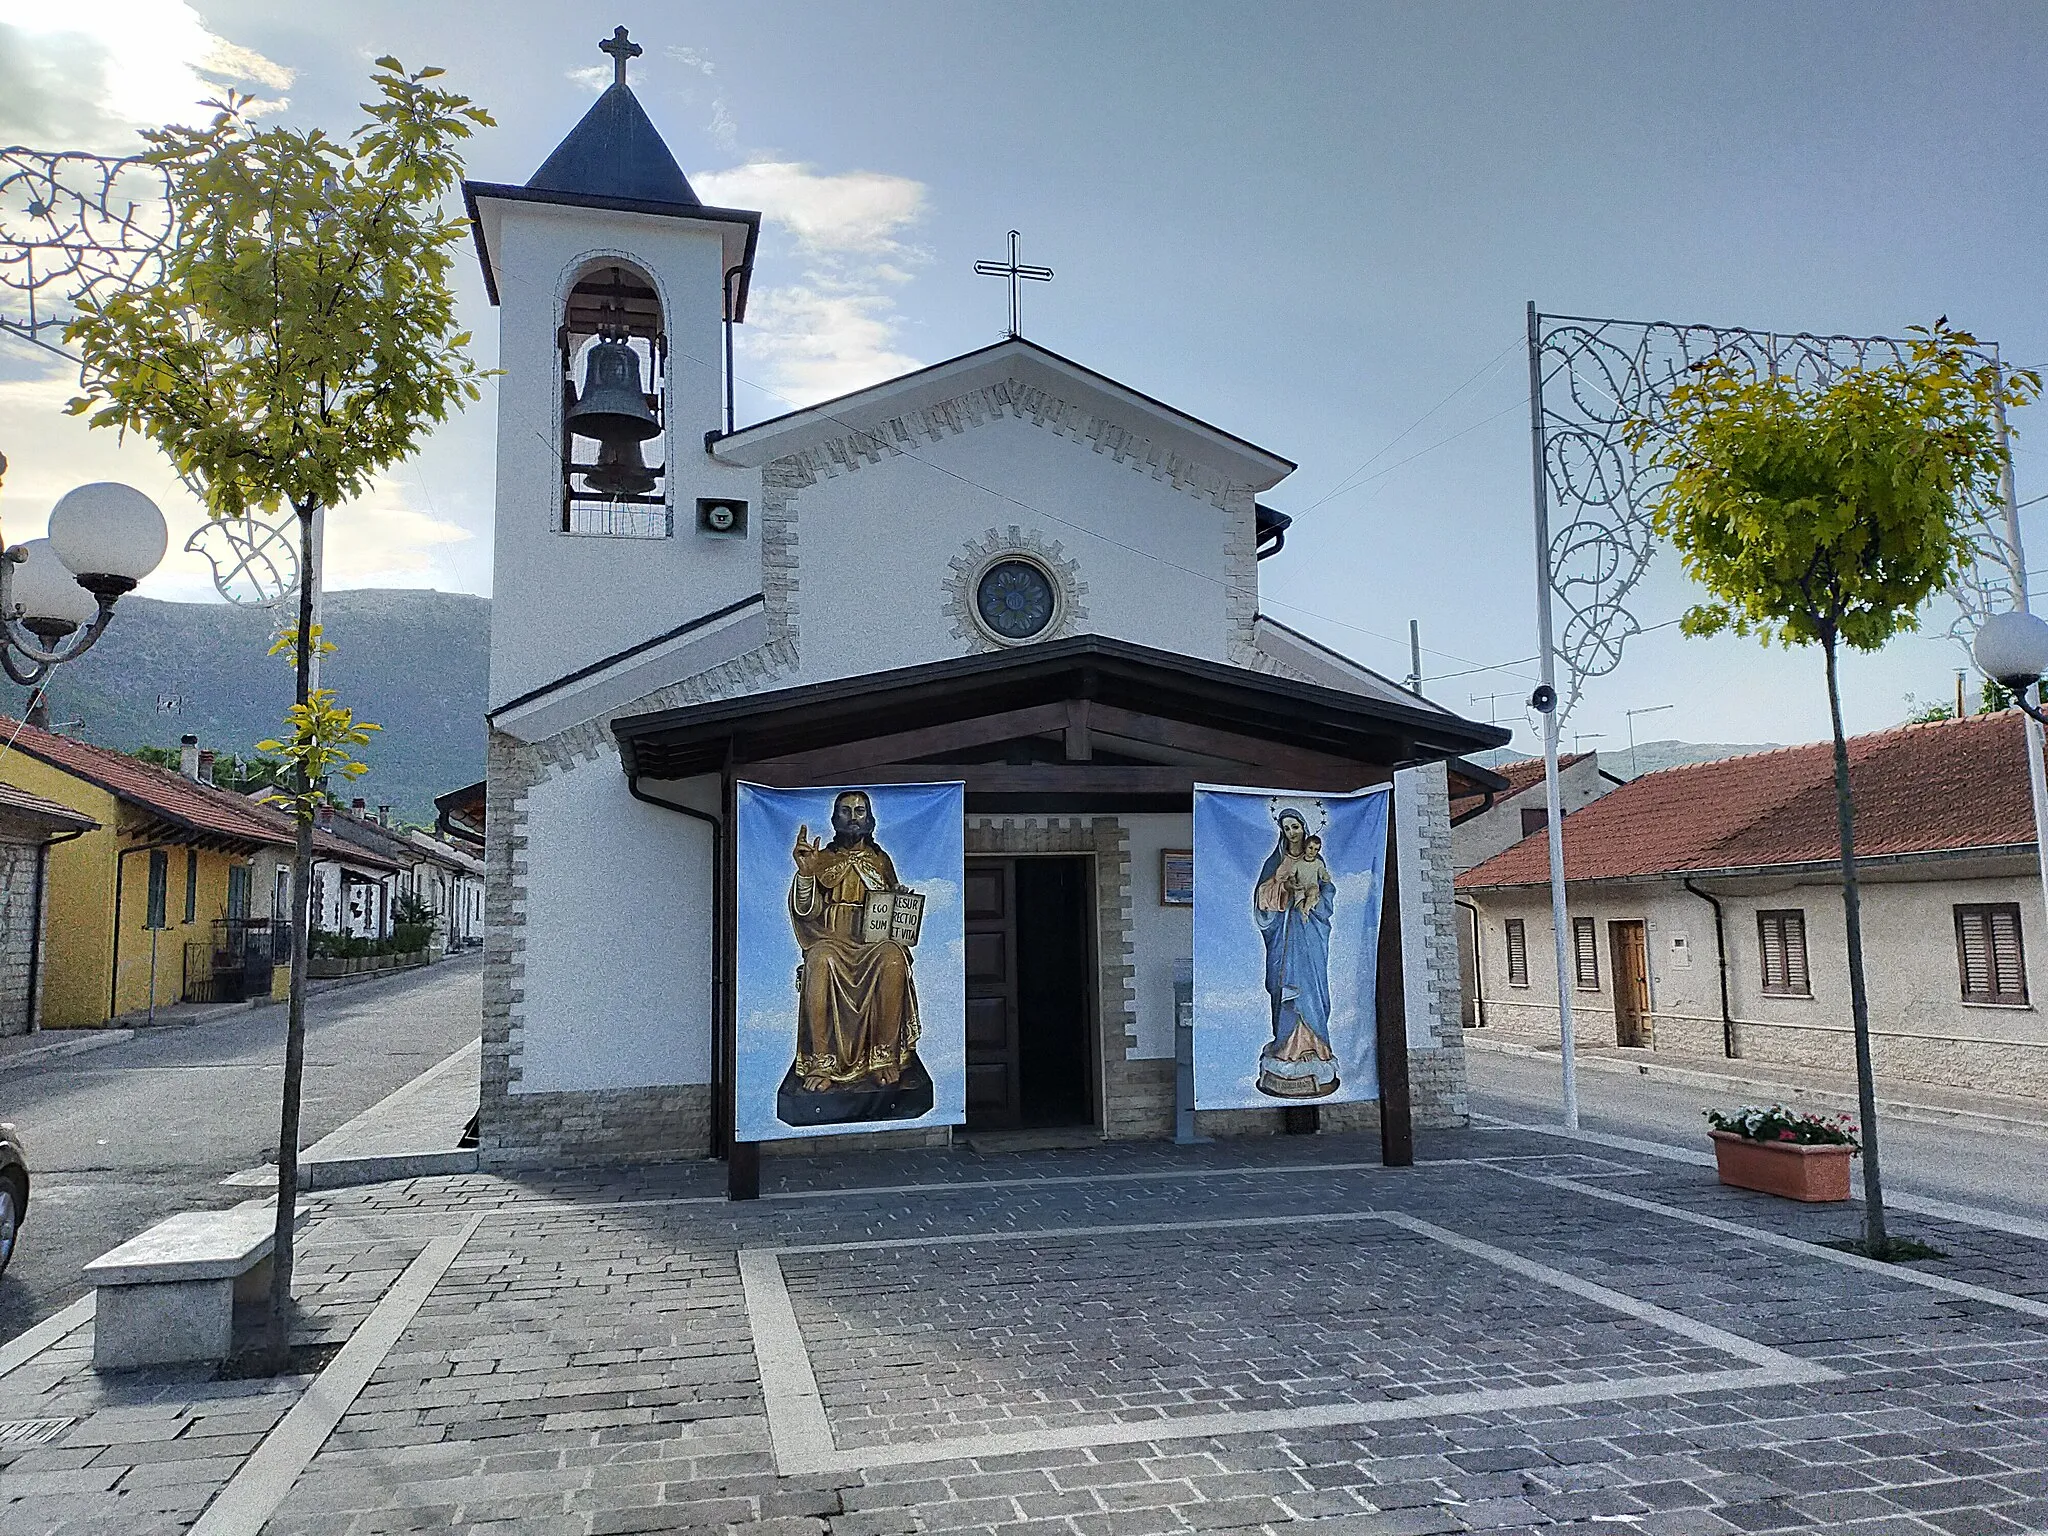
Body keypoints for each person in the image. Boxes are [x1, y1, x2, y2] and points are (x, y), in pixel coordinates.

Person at [787, 790, 920, 1093]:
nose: (853, 818)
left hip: (871, 942)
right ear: (835, 819)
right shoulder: (822, 860)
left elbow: (891, 899)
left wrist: (901, 905)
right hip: (831, 938)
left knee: (893, 958)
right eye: (845, 811)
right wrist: (807, 875)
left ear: (869, 818)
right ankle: (822, 1061)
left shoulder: (880, 860)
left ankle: (883, 1057)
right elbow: (806, 911)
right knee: (819, 961)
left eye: (860, 811)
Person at [1252, 808, 1338, 1098]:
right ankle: (1287, 1048)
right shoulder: (1275, 862)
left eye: (1296, 826)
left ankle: (1316, 1048)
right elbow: (1262, 900)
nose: (1292, 832)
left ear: (1304, 827)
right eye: (1286, 828)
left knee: (1311, 988)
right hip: (1286, 934)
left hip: (1310, 933)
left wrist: (1314, 900)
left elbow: (1327, 891)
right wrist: (1280, 888)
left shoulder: (1317, 860)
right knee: (1284, 986)